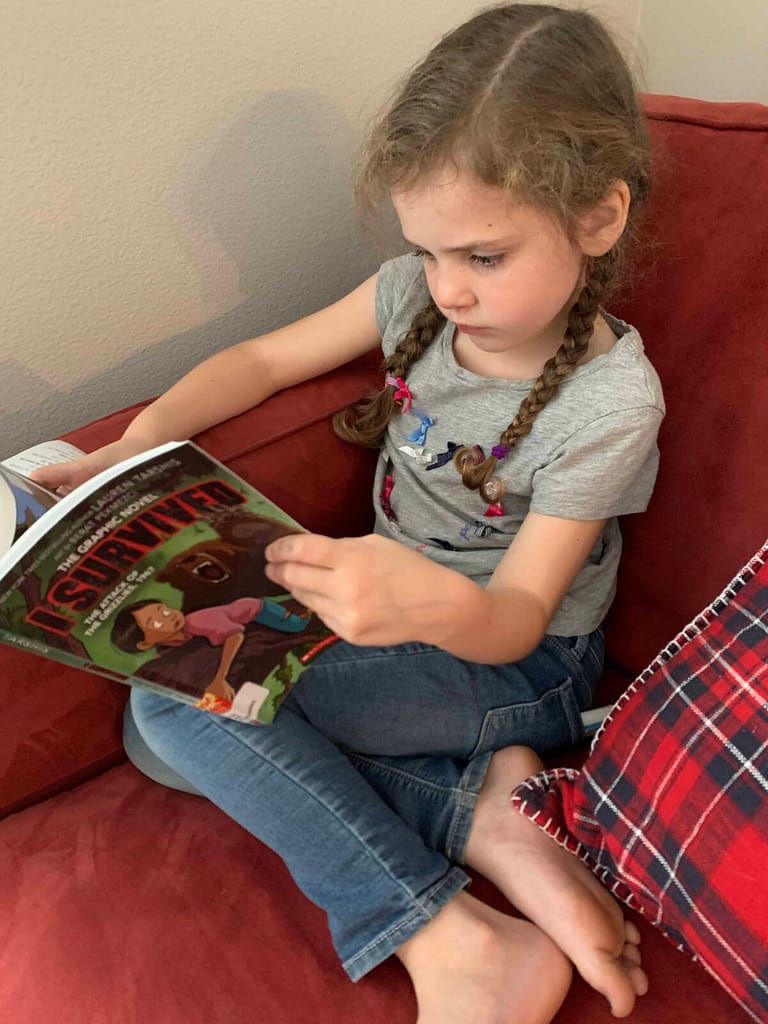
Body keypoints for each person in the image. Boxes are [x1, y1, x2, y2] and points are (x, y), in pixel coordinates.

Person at [35, 5, 663, 1022]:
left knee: (174, 704)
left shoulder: (612, 404)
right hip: (396, 627)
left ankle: (440, 928)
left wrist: (419, 600)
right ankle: (485, 817)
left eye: (485, 257)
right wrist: (135, 442)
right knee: (162, 732)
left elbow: (515, 616)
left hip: (519, 665)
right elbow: (262, 360)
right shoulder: (413, 295)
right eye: (429, 251)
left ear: (597, 218)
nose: (448, 289)